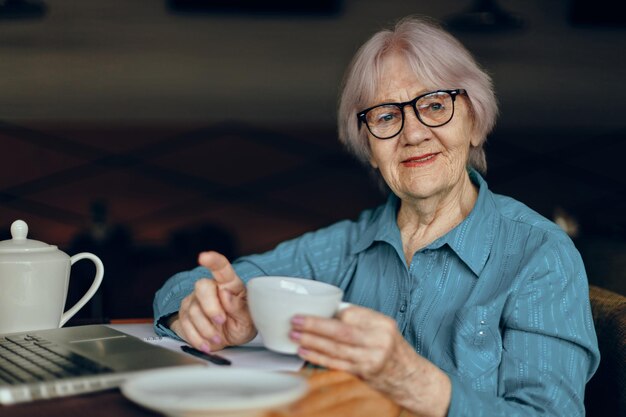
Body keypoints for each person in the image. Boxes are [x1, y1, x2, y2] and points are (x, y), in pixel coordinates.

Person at [153, 16, 599, 416]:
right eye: (386, 116)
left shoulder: (538, 255)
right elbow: (177, 289)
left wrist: (417, 382)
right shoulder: (346, 246)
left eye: (436, 105)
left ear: (476, 122)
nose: (414, 133)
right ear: (369, 147)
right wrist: (208, 314)